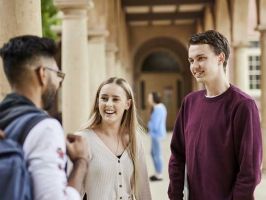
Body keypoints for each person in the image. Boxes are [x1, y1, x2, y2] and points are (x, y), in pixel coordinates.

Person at [168, 30, 263, 200]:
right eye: (191, 60)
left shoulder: (243, 105)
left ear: (220, 58)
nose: (194, 66)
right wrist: (175, 196)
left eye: (201, 58)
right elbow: (177, 155)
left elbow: (250, 171)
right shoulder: (190, 103)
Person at [0, 35, 89, 200]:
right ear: (42, 74)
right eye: (58, 74)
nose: (59, 82)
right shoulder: (46, 129)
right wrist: (81, 162)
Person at [78, 77, 152, 200]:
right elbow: (72, 193)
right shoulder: (83, 139)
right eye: (104, 98)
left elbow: (143, 189)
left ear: (127, 104)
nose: (109, 104)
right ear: (98, 102)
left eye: (116, 99)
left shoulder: (135, 138)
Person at [147, 91, 167, 181]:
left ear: (154, 99)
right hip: (156, 135)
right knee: (153, 153)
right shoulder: (158, 107)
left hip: (157, 135)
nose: (148, 99)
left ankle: (159, 174)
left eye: (149, 98)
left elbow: (154, 125)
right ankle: (157, 172)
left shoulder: (158, 109)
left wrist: (149, 124)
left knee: (157, 155)